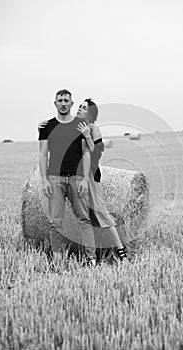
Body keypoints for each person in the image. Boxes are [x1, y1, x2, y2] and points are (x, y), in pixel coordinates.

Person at [38, 89, 97, 267]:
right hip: (55, 179)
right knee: (55, 222)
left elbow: (86, 153)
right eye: (60, 100)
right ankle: (58, 260)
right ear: (55, 103)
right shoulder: (47, 126)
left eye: (66, 100)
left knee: (84, 219)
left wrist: (86, 179)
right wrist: (44, 180)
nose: (63, 103)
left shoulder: (80, 125)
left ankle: (91, 259)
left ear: (71, 104)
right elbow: (42, 155)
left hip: (76, 178)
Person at [76, 98, 128, 262]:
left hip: (90, 175)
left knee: (100, 212)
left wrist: (87, 136)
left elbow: (96, 153)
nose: (80, 109)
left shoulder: (93, 129)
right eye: (79, 106)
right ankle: (91, 254)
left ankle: (121, 250)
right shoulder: (73, 128)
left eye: (84, 108)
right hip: (75, 175)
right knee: (84, 215)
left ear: (90, 113)